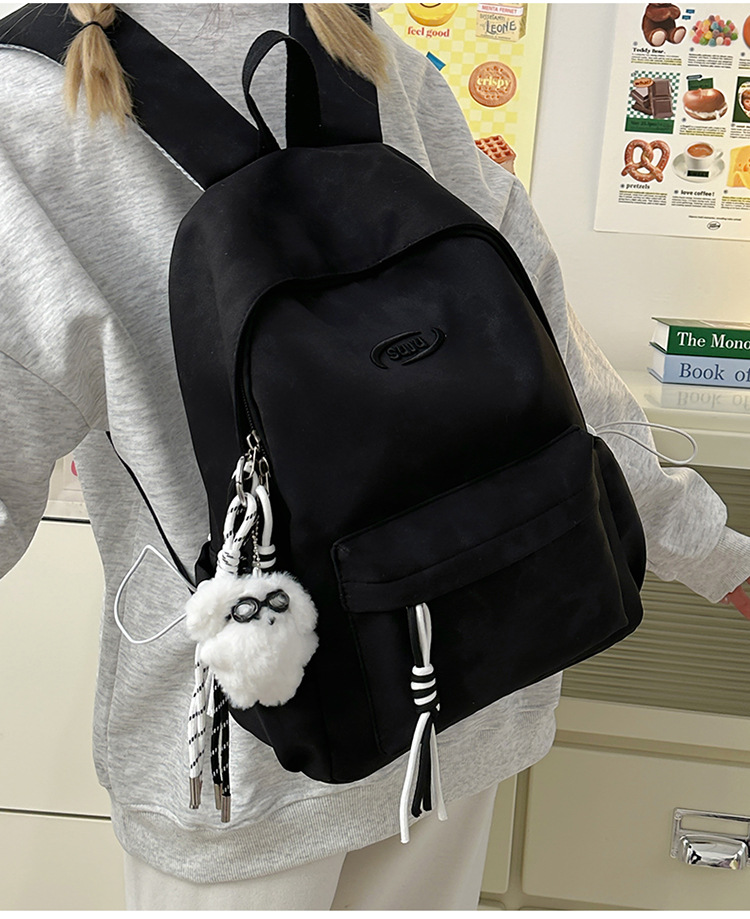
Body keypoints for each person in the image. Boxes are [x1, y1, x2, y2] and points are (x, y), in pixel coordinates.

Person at [1, 2, 749, 910]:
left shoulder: (28, 100)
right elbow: (558, 368)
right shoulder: (364, 47)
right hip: (466, 675)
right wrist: (717, 555)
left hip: (254, 739)